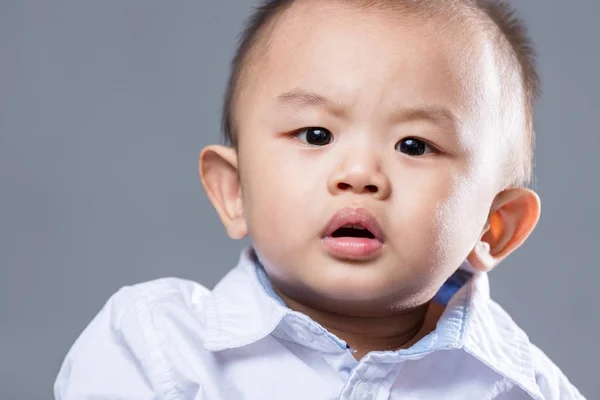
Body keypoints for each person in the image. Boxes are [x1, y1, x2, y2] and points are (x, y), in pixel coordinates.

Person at [54, 0, 585, 398]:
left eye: (414, 145)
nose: (359, 174)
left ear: (493, 226)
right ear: (234, 191)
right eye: (315, 135)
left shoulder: (525, 387)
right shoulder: (156, 344)